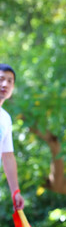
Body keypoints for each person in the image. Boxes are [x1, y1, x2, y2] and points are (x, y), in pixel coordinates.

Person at [0, 63, 24, 210]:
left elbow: (8, 156)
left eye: (10, 81)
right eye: (1, 78)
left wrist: (15, 191)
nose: (5, 84)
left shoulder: (5, 119)